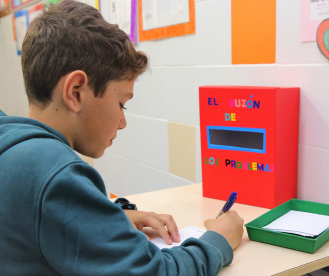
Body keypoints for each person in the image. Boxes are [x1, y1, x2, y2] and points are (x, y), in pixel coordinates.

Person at [0, 0, 244, 275]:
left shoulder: (12, 145)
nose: (123, 122)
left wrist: (111, 218)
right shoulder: (55, 173)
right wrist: (219, 240)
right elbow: (157, 272)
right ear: (76, 92)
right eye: (121, 103)